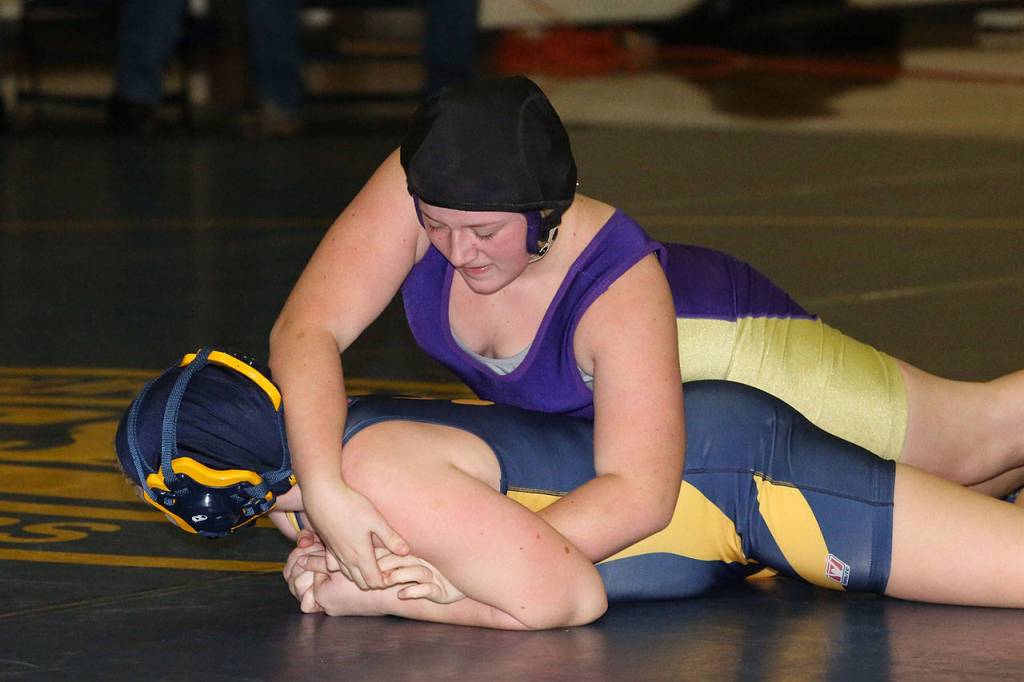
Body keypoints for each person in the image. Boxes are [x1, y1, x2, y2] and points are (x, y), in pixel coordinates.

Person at [267, 74, 1024, 590]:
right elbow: (307, 329)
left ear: (546, 213)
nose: (457, 252)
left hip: (732, 345)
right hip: (653, 399)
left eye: (485, 233)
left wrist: (481, 568)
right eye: (435, 227)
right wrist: (324, 490)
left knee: (977, 438)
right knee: (948, 498)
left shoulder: (615, 283)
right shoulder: (429, 183)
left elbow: (637, 495)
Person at [115, 349, 1024, 630]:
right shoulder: (323, 468)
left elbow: (563, 597)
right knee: (981, 473)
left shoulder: (373, 473)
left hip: (750, 486)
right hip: (711, 476)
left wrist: (387, 600)